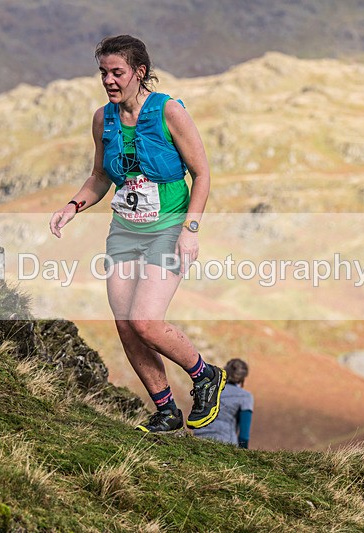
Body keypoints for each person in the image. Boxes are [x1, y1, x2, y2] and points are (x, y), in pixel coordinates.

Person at [49, 35, 225, 432]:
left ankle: (205, 375)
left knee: (145, 321)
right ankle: (166, 409)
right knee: (126, 324)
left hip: (169, 228)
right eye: (103, 73)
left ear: (139, 72)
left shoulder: (169, 111)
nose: (108, 81)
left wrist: (190, 230)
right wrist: (72, 205)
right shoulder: (103, 119)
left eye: (117, 72)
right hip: (124, 232)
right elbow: (100, 176)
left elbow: (202, 174)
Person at [193, 358, 254, 448]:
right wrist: (243, 451)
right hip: (225, 441)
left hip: (198, 437)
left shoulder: (208, 389)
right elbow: (244, 434)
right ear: (242, 378)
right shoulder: (245, 396)